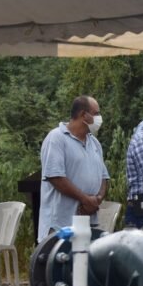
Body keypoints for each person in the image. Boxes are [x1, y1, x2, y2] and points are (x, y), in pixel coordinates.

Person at [39, 96, 109, 240]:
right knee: (61, 255)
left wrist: (96, 200)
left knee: (84, 255)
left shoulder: (94, 143)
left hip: (87, 223)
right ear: (83, 115)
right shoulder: (56, 138)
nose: (99, 118)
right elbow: (56, 177)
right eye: (96, 113)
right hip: (61, 225)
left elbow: (104, 177)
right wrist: (85, 199)